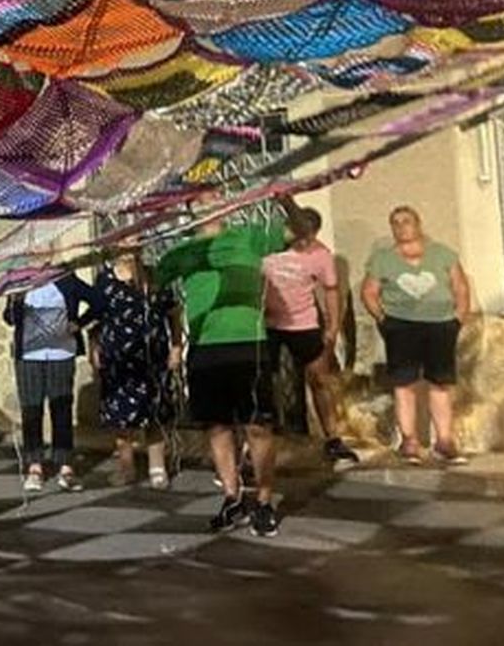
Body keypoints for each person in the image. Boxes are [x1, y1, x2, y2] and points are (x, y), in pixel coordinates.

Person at [155, 204, 307, 538]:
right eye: (202, 197)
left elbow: (300, 229)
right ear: (192, 207)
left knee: (258, 427)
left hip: (247, 344)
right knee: (217, 427)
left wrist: (286, 200)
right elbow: (151, 282)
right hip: (206, 347)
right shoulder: (183, 250)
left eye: (215, 196)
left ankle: (264, 500)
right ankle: (231, 497)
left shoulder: (248, 236)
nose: (211, 203)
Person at [361, 206, 472, 466]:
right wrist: (383, 319)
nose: (401, 227)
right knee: (404, 384)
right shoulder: (383, 259)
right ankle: (409, 441)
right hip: (402, 326)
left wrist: (458, 318)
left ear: (418, 224)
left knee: (440, 382)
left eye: (406, 221)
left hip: (441, 324)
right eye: (395, 223)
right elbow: (369, 292)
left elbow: (460, 287)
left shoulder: (442, 254)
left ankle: (444, 442)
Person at [262, 206, 360, 468]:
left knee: (319, 379)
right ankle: (266, 439)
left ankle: (333, 439)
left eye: (308, 235)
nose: (302, 240)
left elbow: (331, 291)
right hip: (268, 323)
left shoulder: (320, 254)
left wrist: (333, 327)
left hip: (302, 322)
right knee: (265, 381)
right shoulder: (271, 247)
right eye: (298, 233)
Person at [3, 272, 99, 493]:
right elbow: (10, 319)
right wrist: (16, 299)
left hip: (61, 354)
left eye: (45, 247)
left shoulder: (66, 278)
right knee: (31, 410)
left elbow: (98, 300)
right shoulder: (20, 281)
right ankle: (34, 466)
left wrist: (79, 323)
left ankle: (65, 465)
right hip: (28, 356)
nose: (39, 253)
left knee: (62, 409)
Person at [92, 254, 181, 489]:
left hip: (153, 355)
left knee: (156, 410)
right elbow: (96, 317)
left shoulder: (155, 277)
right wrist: (94, 348)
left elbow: (173, 314)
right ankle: (127, 466)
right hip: (118, 357)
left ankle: (157, 467)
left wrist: (176, 346)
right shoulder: (105, 280)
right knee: (121, 414)